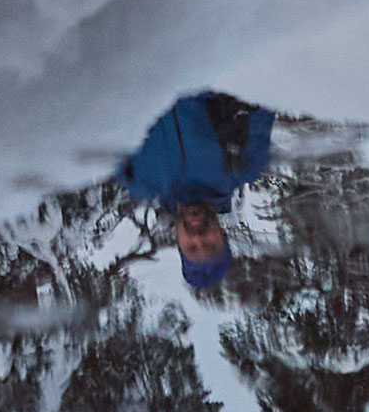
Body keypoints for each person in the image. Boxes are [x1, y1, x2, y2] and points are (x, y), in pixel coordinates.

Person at [117, 88, 280, 296]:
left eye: (192, 248)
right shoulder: (242, 164)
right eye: (211, 246)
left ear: (179, 242)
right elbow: (261, 90)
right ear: (222, 235)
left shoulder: (139, 182)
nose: (198, 237)